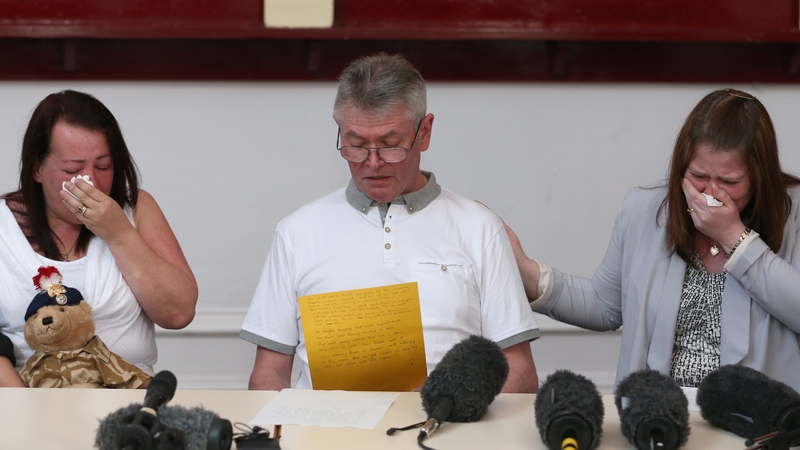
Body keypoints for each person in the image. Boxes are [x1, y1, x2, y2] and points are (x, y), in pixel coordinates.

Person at [241, 53, 539, 392]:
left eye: (390, 144)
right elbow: (269, 374)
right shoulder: (297, 231)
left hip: (445, 431)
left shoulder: (479, 228)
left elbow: (521, 373)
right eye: (355, 145)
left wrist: (455, 410)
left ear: (424, 133)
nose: (373, 163)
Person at [507, 88, 800, 391]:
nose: (711, 194)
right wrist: (530, 276)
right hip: (659, 420)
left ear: (760, 176)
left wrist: (734, 238)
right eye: (698, 176)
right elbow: (604, 305)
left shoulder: (794, 213)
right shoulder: (645, 209)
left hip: (756, 427)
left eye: (729, 182)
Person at [0, 90, 198, 387]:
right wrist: (28, 407)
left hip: (129, 406)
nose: (90, 181)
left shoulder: (137, 208)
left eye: (103, 166)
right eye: (73, 169)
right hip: (29, 405)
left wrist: (118, 233)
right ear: (37, 169)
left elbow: (178, 313)